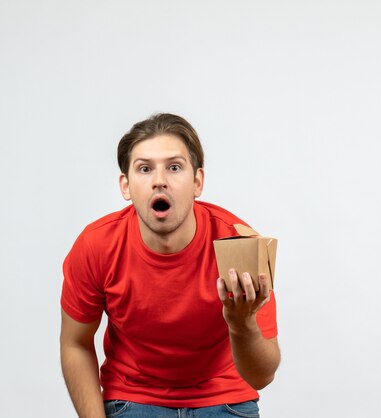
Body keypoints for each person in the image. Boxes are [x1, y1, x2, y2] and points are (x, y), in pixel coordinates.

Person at [60, 113, 280, 418]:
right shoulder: (96, 245)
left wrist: (242, 324)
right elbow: (75, 343)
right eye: (145, 169)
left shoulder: (239, 244)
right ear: (126, 186)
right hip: (131, 399)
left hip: (224, 399)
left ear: (197, 181)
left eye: (174, 167)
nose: (159, 180)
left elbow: (262, 377)